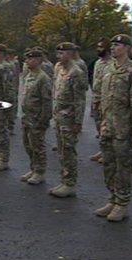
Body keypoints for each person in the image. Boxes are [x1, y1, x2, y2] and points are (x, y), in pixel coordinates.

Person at [94, 34, 132, 222]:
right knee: (109, 164)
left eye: (118, 45)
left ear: (128, 48)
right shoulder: (107, 69)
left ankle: (122, 203)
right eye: (113, 45)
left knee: (123, 167)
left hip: (124, 128)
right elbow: (101, 96)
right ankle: (113, 198)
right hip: (107, 125)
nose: (114, 48)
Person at [49, 42, 86, 196]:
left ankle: (70, 183)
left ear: (71, 54)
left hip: (69, 117)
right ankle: (64, 180)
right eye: (58, 53)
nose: (59, 56)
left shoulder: (76, 72)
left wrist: (78, 121)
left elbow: (80, 99)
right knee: (62, 149)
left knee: (69, 150)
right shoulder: (58, 68)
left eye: (63, 53)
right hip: (59, 116)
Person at [19, 49, 52, 185]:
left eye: (30, 59)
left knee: (38, 146)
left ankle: (40, 172)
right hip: (27, 117)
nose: (27, 61)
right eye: (26, 59)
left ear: (38, 60)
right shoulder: (29, 75)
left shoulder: (43, 78)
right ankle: (33, 168)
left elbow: (47, 101)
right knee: (28, 145)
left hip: (37, 118)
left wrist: (43, 120)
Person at [89, 37, 113, 164]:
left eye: (101, 47)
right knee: (98, 125)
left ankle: (108, 152)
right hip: (96, 97)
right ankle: (103, 149)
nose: (98, 49)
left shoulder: (113, 64)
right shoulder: (98, 63)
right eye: (97, 47)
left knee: (107, 127)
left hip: (106, 99)